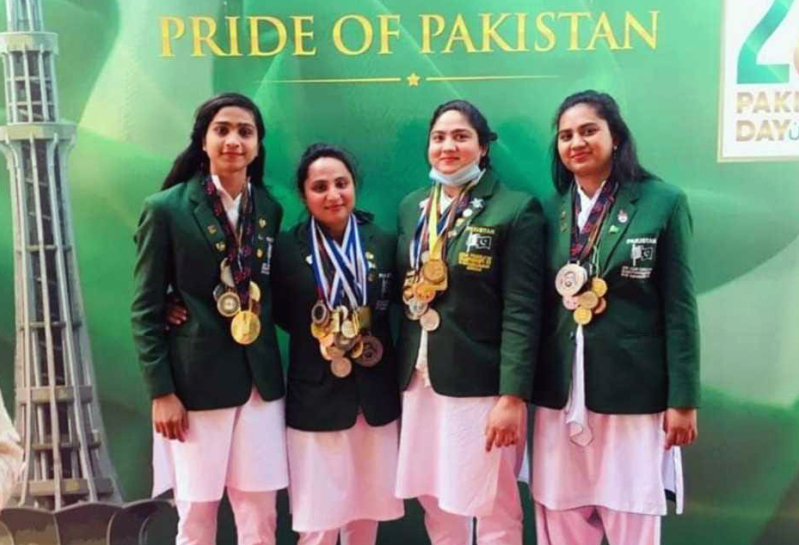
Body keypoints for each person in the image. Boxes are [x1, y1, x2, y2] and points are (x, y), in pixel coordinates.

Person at [531, 90, 700, 545]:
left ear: (616, 136)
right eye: (566, 135)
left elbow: (680, 308)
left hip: (634, 390)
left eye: (588, 130)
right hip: (560, 392)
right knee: (560, 516)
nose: (576, 142)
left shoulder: (661, 201)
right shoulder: (547, 211)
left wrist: (682, 399)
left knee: (631, 517)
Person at [131, 92, 288, 545]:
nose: (233, 140)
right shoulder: (166, 208)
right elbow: (144, 306)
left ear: (258, 145)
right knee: (197, 514)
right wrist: (161, 392)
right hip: (194, 386)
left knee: (259, 514)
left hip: (260, 382)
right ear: (203, 139)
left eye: (245, 131)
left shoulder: (269, 211)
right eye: (222, 130)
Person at [393, 99, 544, 545]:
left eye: (461, 137)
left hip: (482, 385)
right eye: (439, 137)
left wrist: (512, 396)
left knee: (492, 502)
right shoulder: (412, 206)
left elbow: (522, 309)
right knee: (436, 498)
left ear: (483, 148)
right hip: (420, 378)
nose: (448, 147)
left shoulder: (515, 209)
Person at [270, 143, 404, 545]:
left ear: (355, 186)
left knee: (366, 518)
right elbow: (275, 314)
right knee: (318, 524)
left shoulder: (382, 241)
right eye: (320, 186)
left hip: (374, 395)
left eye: (342, 184)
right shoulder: (285, 249)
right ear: (303, 194)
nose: (333, 195)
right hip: (315, 398)